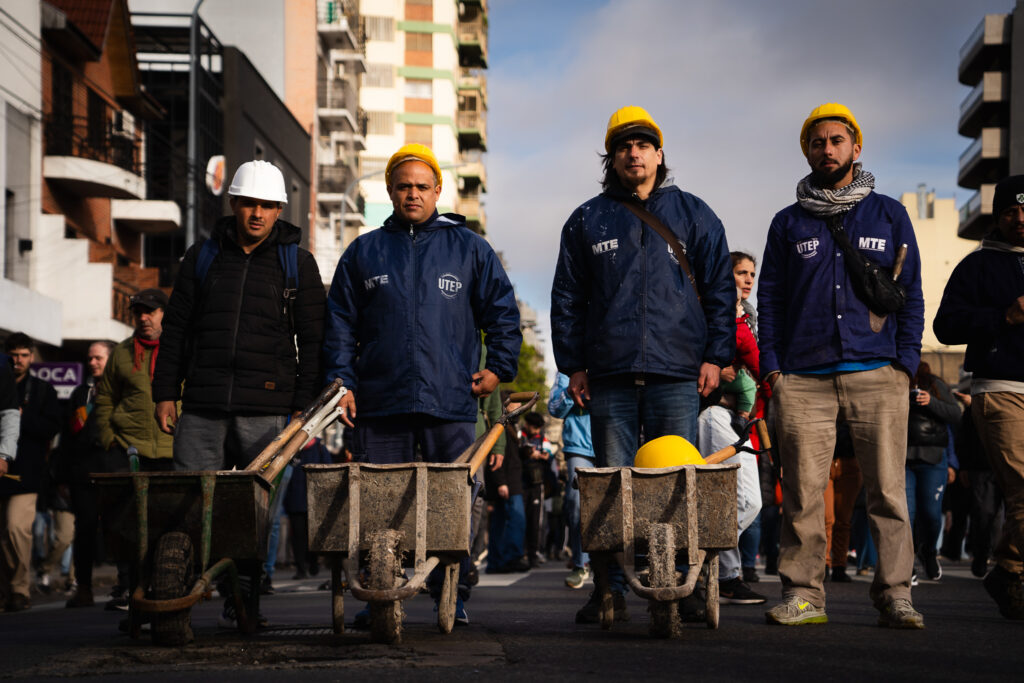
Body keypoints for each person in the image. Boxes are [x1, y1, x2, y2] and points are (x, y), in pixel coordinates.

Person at [324, 143, 521, 626]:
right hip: (379, 404)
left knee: (450, 507)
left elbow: (502, 312)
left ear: (438, 190)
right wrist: (342, 382)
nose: (412, 193)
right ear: (390, 191)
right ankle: (380, 596)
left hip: (450, 402)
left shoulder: (470, 248)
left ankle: (452, 593)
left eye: (421, 186)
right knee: (380, 508)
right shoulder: (363, 252)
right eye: (403, 186)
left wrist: (499, 366)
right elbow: (340, 325)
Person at [550, 105, 735, 624]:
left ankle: (681, 579)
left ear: (659, 154)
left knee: (676, 481)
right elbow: (567, 298)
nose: (634, 152)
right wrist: (574, 366)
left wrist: (716, 357)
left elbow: (721, 291)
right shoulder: (587, 219)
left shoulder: (696, 214)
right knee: (612, 483)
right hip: (607, 376)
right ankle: (608, 585)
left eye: (644, 144)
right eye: (624, 145)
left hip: (677, 372)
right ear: (611, 156)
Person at [758, 103, 925, 628]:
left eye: (836, 140)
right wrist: (773, 369)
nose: (826, 149)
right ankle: (804, 595)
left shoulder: (890, 215)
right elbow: (770, 300)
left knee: (887, 491)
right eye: (816, 142)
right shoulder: (787, 223)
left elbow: (912, 294)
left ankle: (896, 594)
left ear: (856, 147)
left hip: (878, 373)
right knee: (804, 495)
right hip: (803, 378)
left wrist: (905, 365)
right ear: (807, 151)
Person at [152, 160, 326, 628]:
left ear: (278, 211)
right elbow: (176, 329)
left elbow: (313, 342)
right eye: (249, 203)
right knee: (187, 507)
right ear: (233, 204)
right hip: (202, 406)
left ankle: (246, 602)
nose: (257, 213)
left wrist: (302, 411)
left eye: (268, 206)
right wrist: (165, 392)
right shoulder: (202, 256)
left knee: (253, 516)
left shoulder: (297, 262)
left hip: (268, 411)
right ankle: (176, 594)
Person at [933, 174, 1024, 620]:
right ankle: (1011, 569)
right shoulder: (978, 265)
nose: (1021, 219)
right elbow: (945, 327)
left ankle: (1010, 568)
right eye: (1011, 211)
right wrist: (1004, 316)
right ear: (998, 216)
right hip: (1000, 389)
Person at [93, 290, 176, 609]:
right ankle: (129, 585)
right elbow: (105, 398)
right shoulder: (122, 353)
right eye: (138, 312)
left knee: (166, 522)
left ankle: (163, 583)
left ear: (163, 314)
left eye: (150, 311)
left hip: (170, 450)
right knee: (122, 520)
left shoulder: (180, 348)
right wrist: (109, 437)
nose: (143, 317)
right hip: (128, 449)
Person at [0, 333, 61, 612]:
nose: (18, 360)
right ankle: (7, 588)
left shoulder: (41, 390)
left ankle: (19, 588)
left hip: (26, 473)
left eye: (24, 355)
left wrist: (23, 418)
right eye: (13, 354)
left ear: (32, 357)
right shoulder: (2, 383)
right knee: (4, 533)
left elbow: (51, 428)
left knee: (17, 529)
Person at [63, 340, 115, 608]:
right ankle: (83, 587)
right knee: (83, 528)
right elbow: (69, 433)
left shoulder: (120, 391)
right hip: (82, 471)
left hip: (112, 469)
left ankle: (127, 587)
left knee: (117, 526)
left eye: (99, 358)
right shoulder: (79, 393)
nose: (92, 363)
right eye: (90, 358)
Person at [905, 361, 960, 582]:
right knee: (905, 514)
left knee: (930, 515)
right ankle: (906, 565)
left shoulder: (936, 384)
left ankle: (928, 551)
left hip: (933, 458)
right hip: (902, 459)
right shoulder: (895, 381)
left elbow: (955, 415)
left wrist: (931, 401)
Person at [548, 372, 594, 589]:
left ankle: (614, 568)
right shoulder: (567, 370)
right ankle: (581, 562)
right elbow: (554, 408)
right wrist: (570, 391)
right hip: (580, 448)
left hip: (616, 440)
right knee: (576, 505)